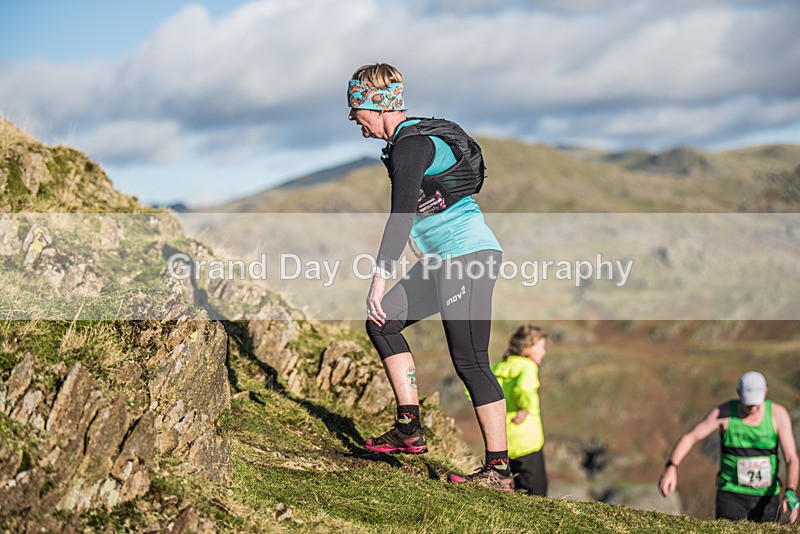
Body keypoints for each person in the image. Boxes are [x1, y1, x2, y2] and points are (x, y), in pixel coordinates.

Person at [347, 63, 511, 491]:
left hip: (467, 257)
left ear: (376, 106)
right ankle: (409, 429)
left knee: (470, 361)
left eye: (355, 109)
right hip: (443, 261)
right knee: (382, 322)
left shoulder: (411, 146)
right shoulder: (405, 144)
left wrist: (379, 279)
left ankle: (499, 471)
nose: (352, 119)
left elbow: (400, 217)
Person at [658, 371, 799, 523]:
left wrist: (790, 490)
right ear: (739, 393)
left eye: (756, 403)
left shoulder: (778, 415)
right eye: (748, 403)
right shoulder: (724, 413)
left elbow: (791, 458)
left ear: (765, 392)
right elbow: (691, 437)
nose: (752, 408)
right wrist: (671, 466)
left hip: (767, 498)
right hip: (731, 495)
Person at [492, 325, 549, 496]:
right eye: (540, 347)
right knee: (537, 494)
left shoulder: (500, 366)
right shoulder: (528, 366)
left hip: (503, 439)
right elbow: (524, 388)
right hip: (527, 442)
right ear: (526, 347)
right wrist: (524, 408)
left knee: (511, 492)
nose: (544, 352)